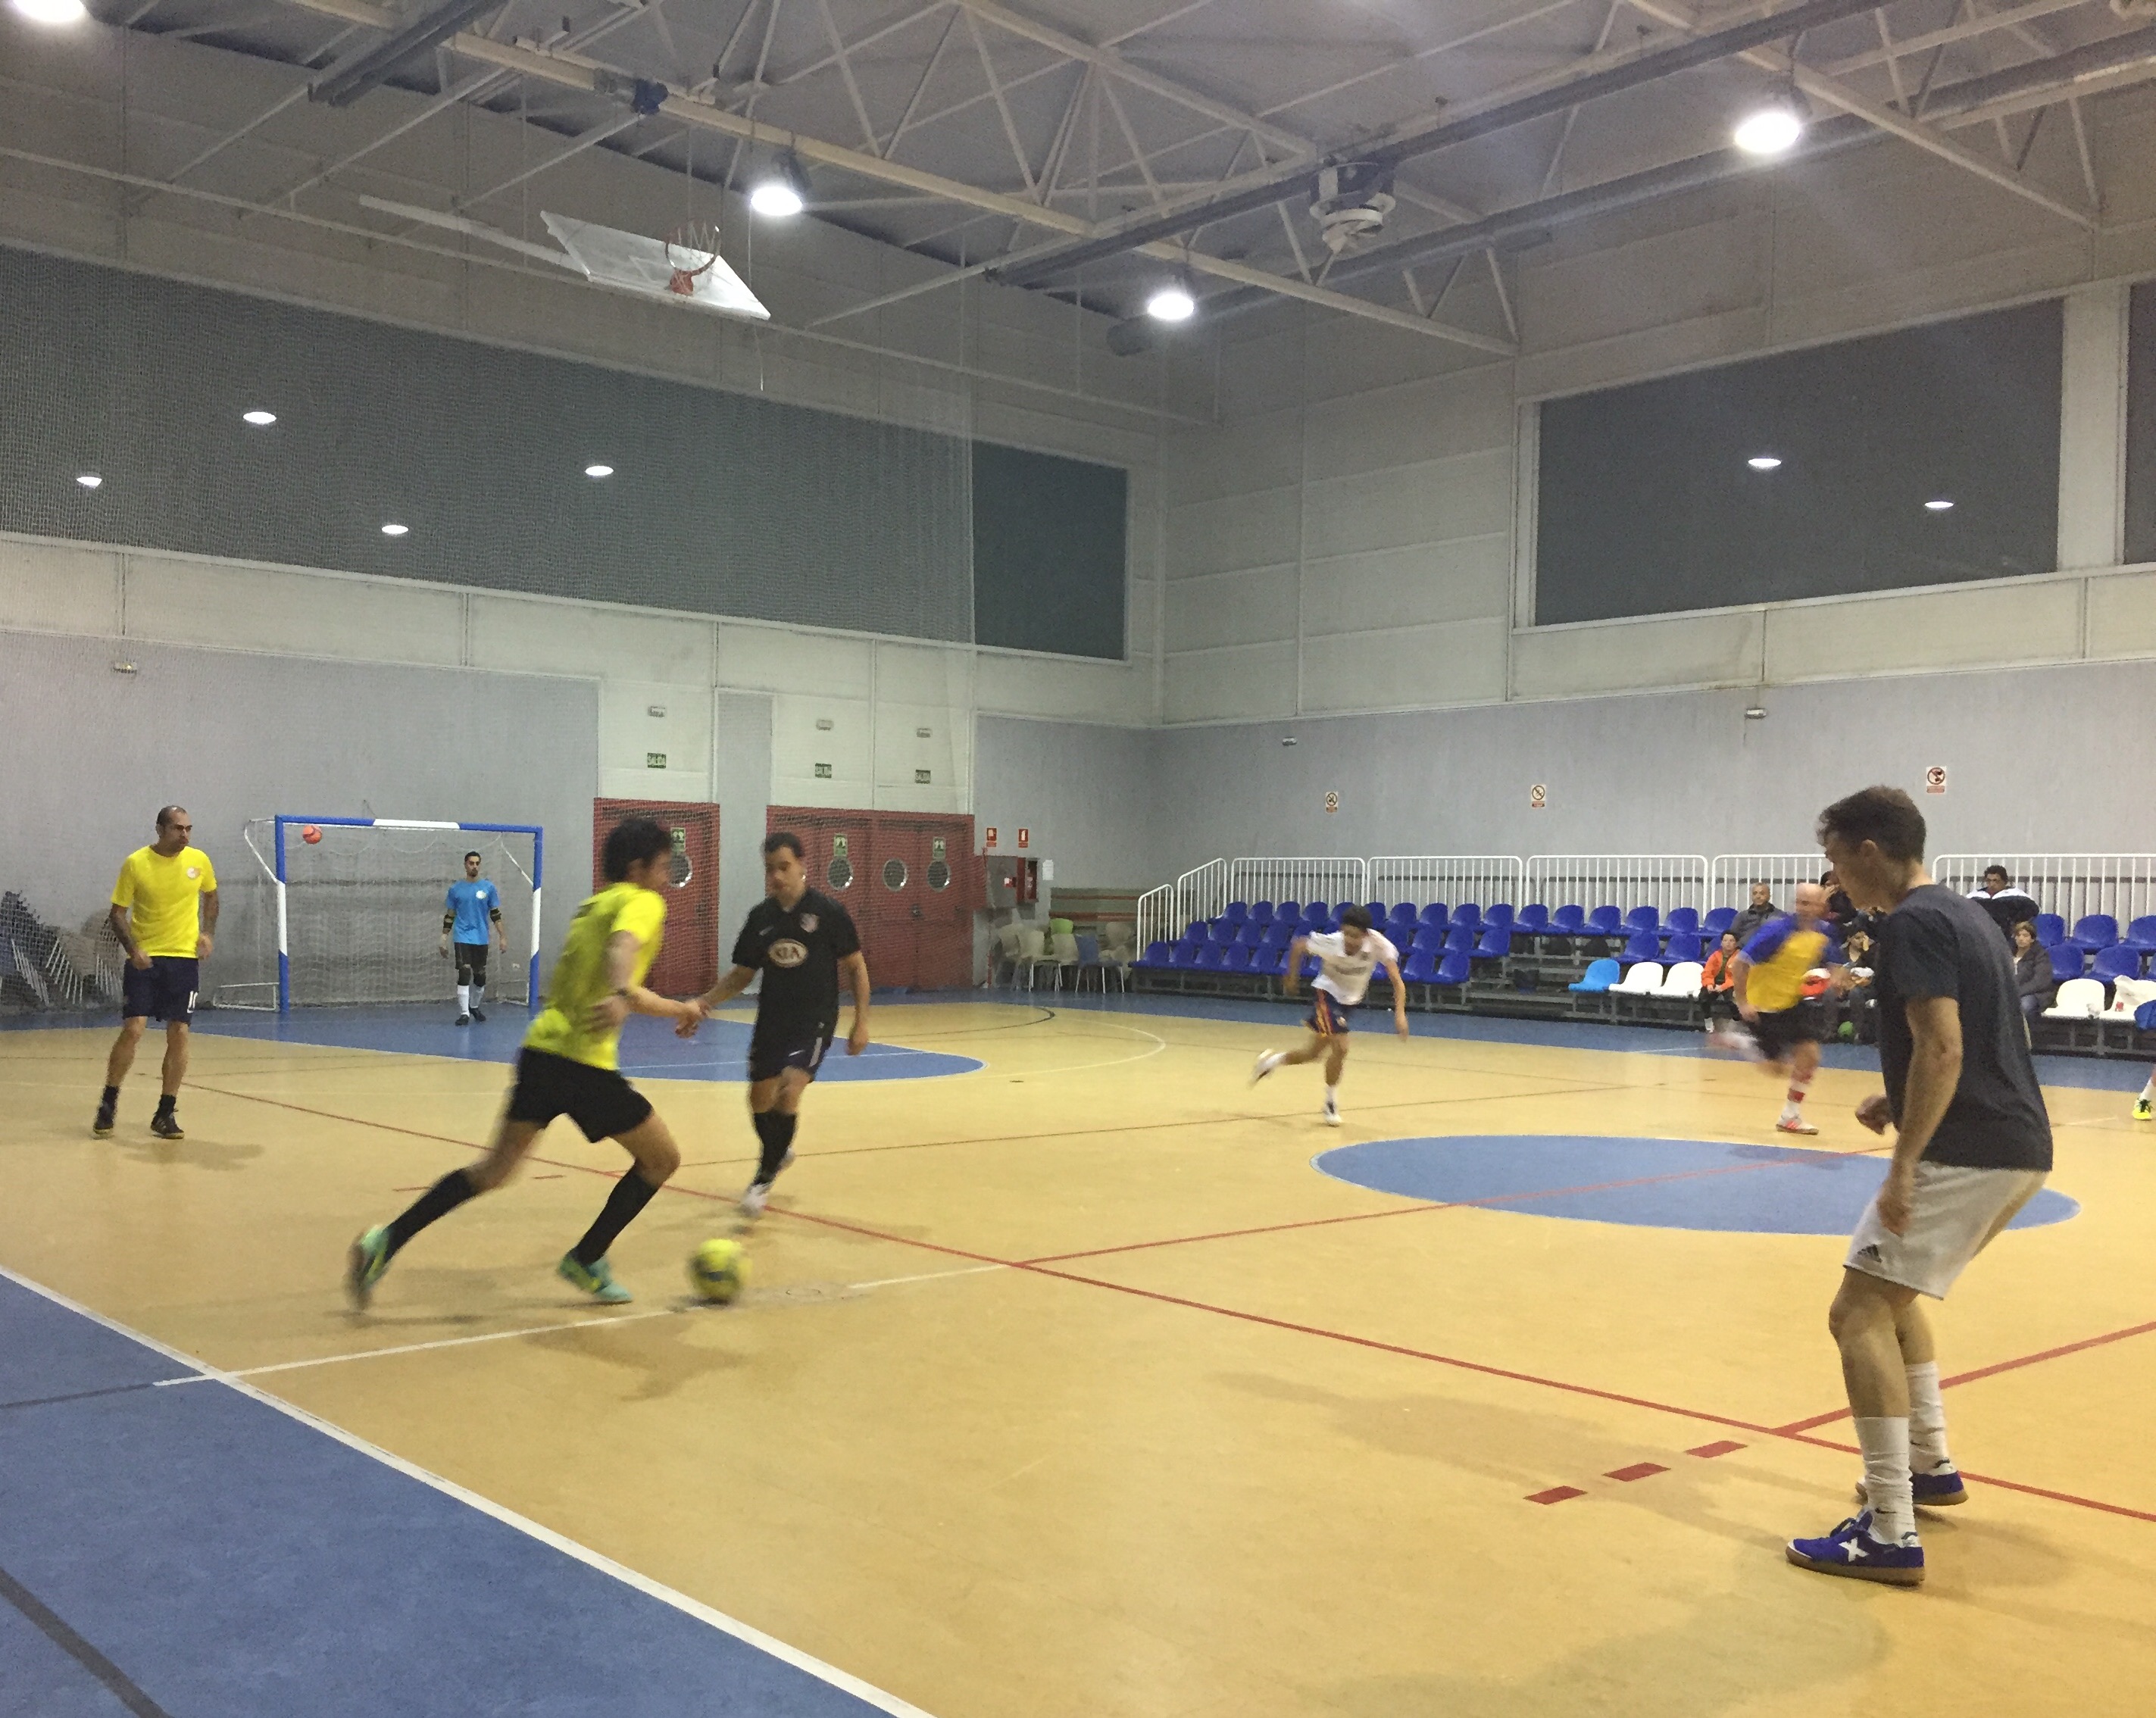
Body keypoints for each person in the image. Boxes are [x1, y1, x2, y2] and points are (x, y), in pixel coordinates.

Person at [1785, 786, 2052, 1588]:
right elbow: (1976, 1036)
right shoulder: (1964, 914)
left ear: (1869, 850)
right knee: (1894, 1299)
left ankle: (1888, 1530)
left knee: (1855, 1313)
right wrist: (1897, 1099)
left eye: (1835, 860)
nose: (1833, 880)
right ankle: (1928, 1464)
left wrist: (1904, 1162)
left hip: (1966, 1151)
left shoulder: (1909, 924)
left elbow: (1942, 1047)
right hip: (2012, 1144)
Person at [346, 817, 702, 1308]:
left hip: (540, 1055)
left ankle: (386, 1240)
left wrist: (651, 1001)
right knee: (662, 1160)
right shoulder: (642, 902)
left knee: (494, 1170)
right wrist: (634, 994)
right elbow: (623, 949)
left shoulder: (592, 906)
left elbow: (614, 968)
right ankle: (586, 1258)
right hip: (584, 1066)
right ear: (638, 868)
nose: (666, 878)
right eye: (662, 867)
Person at [689, 832, 871, 1218]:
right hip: (773, 1018)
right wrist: (705, 1002)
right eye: (770, 869)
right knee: (759, 1099)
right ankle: (778, 1149)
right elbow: (741, 975)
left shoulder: (828, 913)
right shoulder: (761, 918)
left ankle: (763, 1178)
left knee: (790, 1090)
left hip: (815, 1019)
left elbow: (856, 967)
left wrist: (861, 1023)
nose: (776, 876)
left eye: (784, 867)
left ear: (802, 865)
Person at [95, 806, 217, 1142]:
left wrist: (208, 933)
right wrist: (133, 949)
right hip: (145, 960)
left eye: (189, 829)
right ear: (160, 829)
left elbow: (211, 897)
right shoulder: (136, 863)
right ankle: (109, 1101)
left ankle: (165, 1112)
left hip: (184, 961)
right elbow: (117, 914)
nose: (185, 835)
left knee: (179, 1033)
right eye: (178, 828)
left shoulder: (199, 861)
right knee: (134, 1029)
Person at [1251, 905, 1407, 1126]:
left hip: (1350, 1002)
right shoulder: (1331, 942)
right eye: (1346, 934)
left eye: (1355, 936)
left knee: (1312, 1054)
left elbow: (1397, 982)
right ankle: (1330, 1103)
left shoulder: (1380, 946)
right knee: (1341, 1047)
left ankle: (1270, 1062)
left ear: (1365, 935)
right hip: (1327, 993)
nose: (1349, 940)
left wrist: (1400, 1014)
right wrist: (1292, 976)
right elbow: (1299, 945)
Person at [1711, 882, 1834, 1135]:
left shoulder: (1824, 932)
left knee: (1810, 1056)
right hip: (1764, 1005)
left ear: (1822, 906)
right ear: (1795, 904)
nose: (1806, 909)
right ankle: (1742, 1042)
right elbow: (1741, 964)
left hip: (1792, 1002)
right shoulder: (1777, 932)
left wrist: (1837, 978)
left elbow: (1835, 963)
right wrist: (1743, 1002)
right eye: (1802, 903)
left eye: (1812, 904)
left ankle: (1790, 1116)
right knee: (1777, 1070)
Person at [442, 849, 510, 1025]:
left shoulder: (488, 888)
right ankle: (464, 1013)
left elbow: (495, 914)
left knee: (480, 976)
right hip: (462, 936)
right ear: (465, 865)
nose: (474, 866)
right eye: (471, 863)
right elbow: (450, 915)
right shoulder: (455, 889)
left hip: (481, 938)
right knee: (464, 972)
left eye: (477, 863)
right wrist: (444, 937)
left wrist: (502, 936)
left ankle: (474, 1006)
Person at [2011, 920, 2054, 1026]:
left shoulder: (2040, 955)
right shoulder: (2008, 953)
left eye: (2025, 935)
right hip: (2012, 992)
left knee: (2024, 1007)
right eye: (2018, 935)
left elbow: (2040, 982)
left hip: (2035, 994)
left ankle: (2027, 1035)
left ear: (2032, 939)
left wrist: (2017, 992)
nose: (2021, 938)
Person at [1700, 931, 1739, 1027]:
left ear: (1736, 943)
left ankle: (1737, 1022)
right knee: (1703, 998)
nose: (1728, 943)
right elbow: (1707, 972)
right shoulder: (1715, 955)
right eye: (1725, 940)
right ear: (1721, 943)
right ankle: (1708, 1020)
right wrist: (1709, 984)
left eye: (1731, 941)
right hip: (1714, 982)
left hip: (1731, 984)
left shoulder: (1740, 957)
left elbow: (1738, 977)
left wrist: (1723, 987)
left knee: (1732, 1001)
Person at [1730, 880, 1778, 950]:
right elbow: (1731, 938)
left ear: (1769, 896)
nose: (1758, 896)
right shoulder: (1742, 916)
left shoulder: (1778, 915)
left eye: (1762, 893)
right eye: (1755, 893)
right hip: (1744, 952)